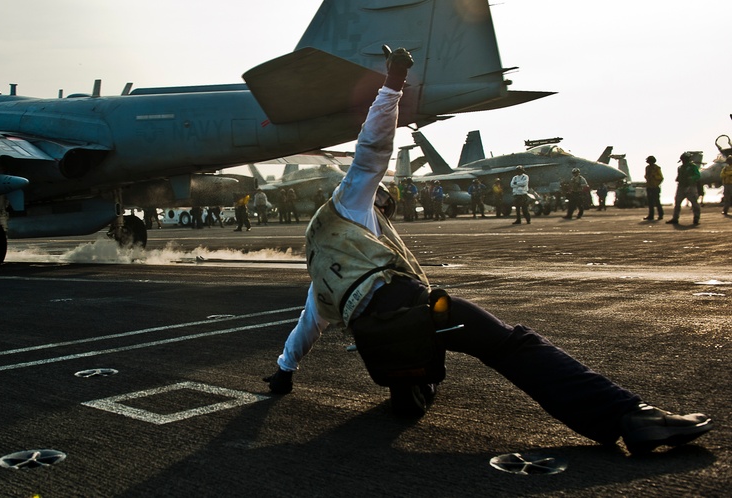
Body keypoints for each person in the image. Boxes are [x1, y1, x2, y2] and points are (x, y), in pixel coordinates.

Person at [263, 46, 712, 454]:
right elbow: (370, 152)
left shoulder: (321, 266)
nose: (385, 208)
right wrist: (393, 85)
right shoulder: (351, 201)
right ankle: (631, 417)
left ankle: (408, 394)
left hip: (375, 344)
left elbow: (309, 325)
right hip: (413, 311)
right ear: (372, 198)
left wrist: (284, 373)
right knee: (512, 344)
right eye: (384, 200)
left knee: (407, 377)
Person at [666, 153, 701, 226]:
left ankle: (696, 219)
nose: (683, 161)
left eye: (684, 159)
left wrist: (691, 178)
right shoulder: (680, 168)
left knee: (694, 203)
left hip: (690, 187)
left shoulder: (693, 167)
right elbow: (678, 177)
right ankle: (675, 218)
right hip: (681, 187)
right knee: (677, 203)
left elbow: (697, 175)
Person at [644, 156, 664, 220]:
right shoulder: (647, 168)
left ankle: (660, 215)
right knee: (650, 202)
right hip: (649, 187)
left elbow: (661, 178)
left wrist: (655, 178)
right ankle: (651, 215)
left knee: (657, 202)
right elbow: (646, 176)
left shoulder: (657, 168)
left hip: (655, 187)